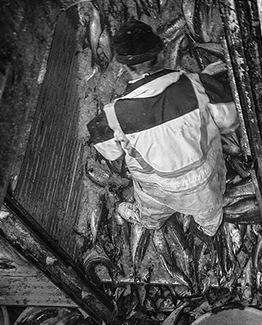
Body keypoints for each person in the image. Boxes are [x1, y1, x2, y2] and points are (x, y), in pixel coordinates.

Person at [87, 20, 239, 242]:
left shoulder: (112, 116)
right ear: (160, 55)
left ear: (125, 67)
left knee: (151, 212)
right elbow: (230, 121)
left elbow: (111, 153)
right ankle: (209, 228)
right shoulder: (199, 86)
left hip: (156, 189)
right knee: (209, 210)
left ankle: (150, 223)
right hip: (203, 184)